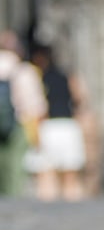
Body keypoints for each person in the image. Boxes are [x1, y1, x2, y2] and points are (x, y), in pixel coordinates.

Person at [27, 43, 87, 201]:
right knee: (71, 176)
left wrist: (36, 134)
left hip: (49, 126)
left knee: (47, 175)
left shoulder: (39, 77)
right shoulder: (68, 75)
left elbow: (38, 107)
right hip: (68, 125)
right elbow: (80, 99)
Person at [0, 31, 47, 197]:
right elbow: (35, 104)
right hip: (18, 123)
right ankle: (11, 199)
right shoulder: (23, 70)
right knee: (15, 167)